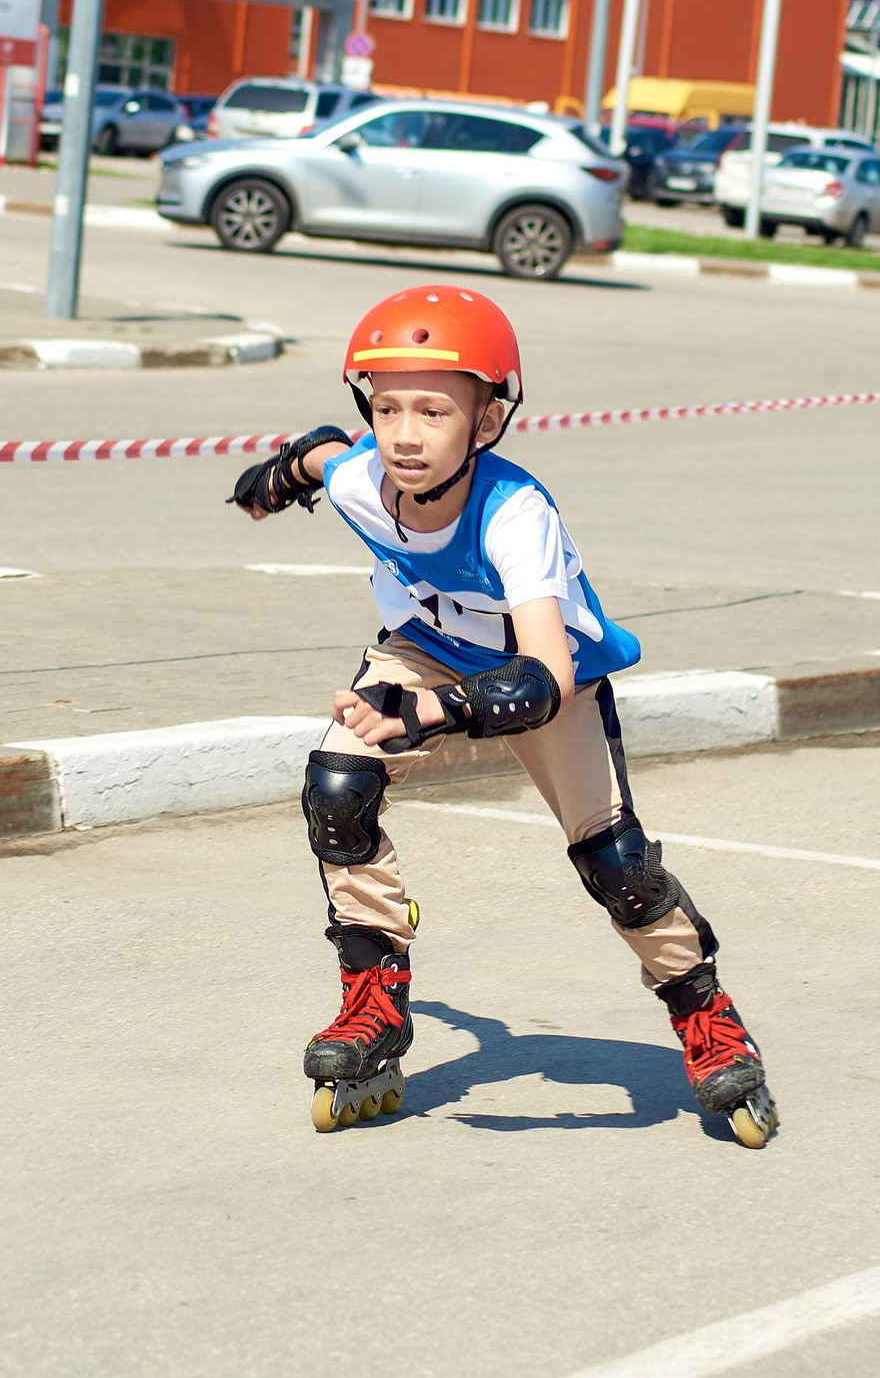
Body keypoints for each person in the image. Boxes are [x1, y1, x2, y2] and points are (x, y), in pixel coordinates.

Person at [229, 284, 779, 1148]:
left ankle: (703, 1010)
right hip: (423, 650)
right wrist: (279, 475)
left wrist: (435, 710)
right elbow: (327, 454)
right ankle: (374, 993)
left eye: (434, 412)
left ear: (487, 420)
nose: (404, 436)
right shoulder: (363, 477)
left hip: (543, 674)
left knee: (616, 861)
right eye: (387, 408)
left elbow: (545, 672)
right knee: (337, 788)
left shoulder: (516, 511)